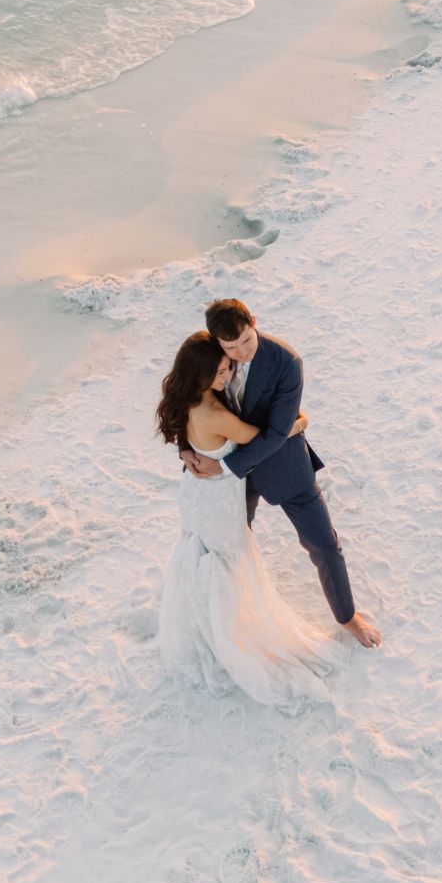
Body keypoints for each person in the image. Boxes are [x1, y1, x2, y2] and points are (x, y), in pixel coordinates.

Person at [180, 299, 382, 649]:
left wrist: (224, 465)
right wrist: (186, 447)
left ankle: (348, 617)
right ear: (217, 342)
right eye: (231, 348)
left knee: (323, 544)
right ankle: (223, 616)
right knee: (225, 546)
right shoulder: (210, 358)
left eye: (247, 340)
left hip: (283, 466)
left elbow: (276, 433)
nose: (241, 352)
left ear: (254, 322)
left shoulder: (286, 362)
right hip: (230, 483)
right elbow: (185, 399)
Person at [155, 332, 336, 706]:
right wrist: (302, 420)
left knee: (199, 554)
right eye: (220, 371)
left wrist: (187, 450)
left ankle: (203, 626)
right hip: (220, 500)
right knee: (228, 563)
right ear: (201, 374)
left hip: (195, 494)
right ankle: (226, 636)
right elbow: (269, 438)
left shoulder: (183, 398)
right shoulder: (215, 414)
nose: (228, 375)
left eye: (227, 368)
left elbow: (184, 435)